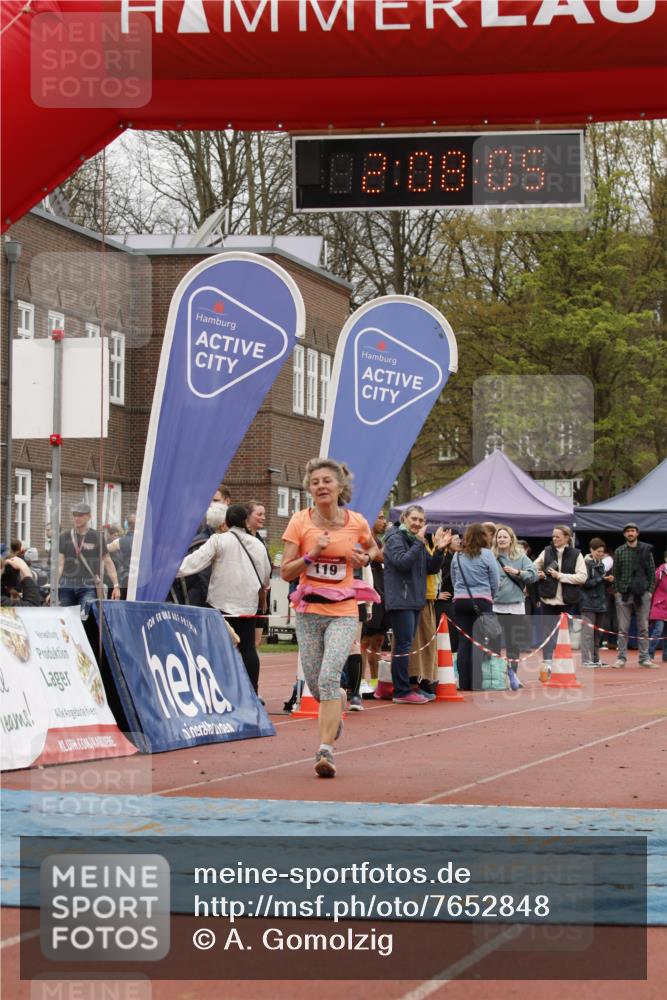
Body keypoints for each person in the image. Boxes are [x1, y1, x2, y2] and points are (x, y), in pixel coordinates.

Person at [280, 458, 379, 778]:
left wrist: (364, 556)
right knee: (318, 685)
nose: (321, 486)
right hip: (309, 613)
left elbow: (374, 551)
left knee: (327, 677)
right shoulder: (299, 522)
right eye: (315, 482)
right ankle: (334, 703)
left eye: (327, 481)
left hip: (343, 612)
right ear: (309, 489)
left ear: (340, 487)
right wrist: (312, 554)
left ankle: (325, 751)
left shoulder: (356, 522)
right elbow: (286, 571)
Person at [177, 503, 270, 694]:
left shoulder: (218, 540)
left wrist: (169, 571)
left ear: (226, 521)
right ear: (246, 521)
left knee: (217, 648)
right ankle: (253, 691)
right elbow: (266, 575)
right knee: (248, 648)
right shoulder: (258, 544)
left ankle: (217, 690)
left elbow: (195, 562)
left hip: (221, 603)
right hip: (247, 604)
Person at [383, 506, 451, 704]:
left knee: (407, 645)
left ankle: (407, 687)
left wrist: (439, 550)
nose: (417, 523)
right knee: (403, 646)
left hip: (415, 599)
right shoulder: (394, 537)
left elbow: (431, 568)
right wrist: (419, 543)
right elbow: (402, 562)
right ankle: (401, 691)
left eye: (421, 520)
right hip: (401, 600)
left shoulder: (417, 541)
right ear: (404, 518)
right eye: (414, 519)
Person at [451, 522, 500, 691]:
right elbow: (495, 579)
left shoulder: (457, 556)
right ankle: (477, 682)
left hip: (461, 600)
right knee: (479, 643)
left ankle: (464, 683)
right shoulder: (487, 554)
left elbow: (453, 577)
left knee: (464, 642)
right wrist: (490, 596)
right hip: (481, 600)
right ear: (483, 537)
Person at [533, 525, 586, 670]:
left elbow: (582, 577)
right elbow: (532, 567)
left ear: (567, 538)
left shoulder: (576, 554)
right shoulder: (546, 551)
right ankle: (548, 664)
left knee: (564, 635)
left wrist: (560, 576)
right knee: (547, 634)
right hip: (548, 599)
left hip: (567, 601)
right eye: (553, 536)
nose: (554, 539)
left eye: (558, 536)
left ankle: (563, 664)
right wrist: (539, 573)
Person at [491, 524, 538, 686]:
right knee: (494, 643)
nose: (502, 539)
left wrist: (518, 573)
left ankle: (513, 677)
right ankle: (497, 676)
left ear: (511, 539)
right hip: (494, 605)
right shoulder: (490, 555)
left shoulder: (521, 556)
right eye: (499, 537)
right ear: (495, 539)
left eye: (505, 536)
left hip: (515, 605)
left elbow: (533, 576)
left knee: (513, 643)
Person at [58, 502, 121, 612]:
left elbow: (108, 562)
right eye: (75, 515)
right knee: (65, 620)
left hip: (88, 585)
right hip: (66, 584)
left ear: (88, 517)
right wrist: (53, 588)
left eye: (80, 515)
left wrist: (116, 586)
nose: (76, 518)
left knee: (86, 620)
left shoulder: (96, 536)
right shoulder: (64, 536)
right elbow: (59, 564)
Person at [612, 523, 656, 668]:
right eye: (628, 531)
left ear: (637, 533)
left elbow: (652, 573)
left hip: (642, 593)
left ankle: (644, 658)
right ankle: (621, 658)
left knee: (643, 627)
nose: (630, 533)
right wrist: (617, 591)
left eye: (633, 531)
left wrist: (649, 591)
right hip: (623, 594)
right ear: (624, 534)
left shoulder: (646, 550)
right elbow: (615, 574)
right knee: (623, 628)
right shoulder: (619, 551)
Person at [360, 513, 388, 693]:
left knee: (378, 640)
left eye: (384, 517)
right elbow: (381, 557)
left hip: (383, 592)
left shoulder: (378, 540)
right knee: (364, 641)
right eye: (379, 517)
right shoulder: (364, 539)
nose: (384, 521)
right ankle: (361, 681)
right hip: (369, 593)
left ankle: (376, 681)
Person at [580, 538, 614, 667]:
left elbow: (599, 583)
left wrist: (606, 580)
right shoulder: (585, 564)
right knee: (587, 634)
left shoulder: (601, 564)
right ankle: (585, 660)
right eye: (598, 551)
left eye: (602, 551)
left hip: (600, 603)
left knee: (597, 634)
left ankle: (595, 659)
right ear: (591, 550)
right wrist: (602, 579)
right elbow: (585, 583)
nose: (601, 554)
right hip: (587, 603)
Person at [246, 500, 270, 648]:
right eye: (259, 514)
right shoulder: (243, 538)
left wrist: (265, 595)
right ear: (248, 516)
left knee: (256, 641)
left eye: (264, 514)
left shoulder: (261, 540)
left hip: (261, 596)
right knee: (245, 642)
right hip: (246, 596)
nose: (263, 517)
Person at [435, 528, 461, 652]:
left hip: (454, 603)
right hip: (443, 604)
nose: (459, 542)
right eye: (456, 539)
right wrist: (436, 594)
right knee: (446, 640)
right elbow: (433, 577)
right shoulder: (442, 557)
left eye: (459, 539)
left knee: (454, 639)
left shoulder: (458, 557)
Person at [106, 513, 136, 600]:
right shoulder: (147, 540)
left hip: (126, 579)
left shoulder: (120, 541)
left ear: (126, 525)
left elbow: (105, 549)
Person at [648, 550, 667, 664]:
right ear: (665, 558)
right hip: (659, 605)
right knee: (658, 631)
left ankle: (666, 656)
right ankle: (649, 655)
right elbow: (652, 588)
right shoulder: (659, 572)